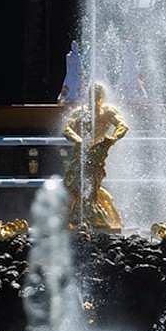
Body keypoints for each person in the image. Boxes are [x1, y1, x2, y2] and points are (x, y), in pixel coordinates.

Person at [62, 82, 128, 230]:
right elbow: (67, 129)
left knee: (89, 188)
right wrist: (80, 140)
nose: (95, 98)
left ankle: (97, 219)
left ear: (102, 97)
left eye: (98, 95)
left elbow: (123, 125)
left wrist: (112, 139)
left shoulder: (108, 112)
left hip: (97, 154)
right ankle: (111, 218)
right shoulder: (79, 112)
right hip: (80, 153)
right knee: (71, 184)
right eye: (92, 95)